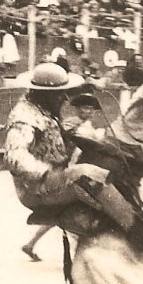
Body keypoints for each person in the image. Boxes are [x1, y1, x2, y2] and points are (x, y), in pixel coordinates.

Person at [4, 63, 143, 249]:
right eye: (59, 93)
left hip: (53, 178)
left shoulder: (43, 109)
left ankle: (135, 216)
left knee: (109, 162)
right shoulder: (24, 117)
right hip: (35, 186)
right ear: (44, 93)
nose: (65, 98)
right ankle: (140, 234)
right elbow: (14, 157)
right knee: (86, 173)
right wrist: (47, 172)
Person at [20, 92, 104, 262]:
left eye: (90, 109)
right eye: (84, 108)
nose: (87, 111)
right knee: (76, 209)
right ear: (78, 109)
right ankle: (81, 255)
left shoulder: (85, 125)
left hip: (70, 166)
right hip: (62, 167)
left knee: (61, 212)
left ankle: (30, 244)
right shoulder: (71, 124)